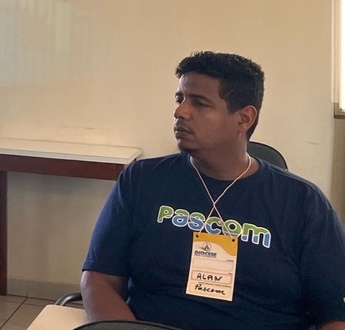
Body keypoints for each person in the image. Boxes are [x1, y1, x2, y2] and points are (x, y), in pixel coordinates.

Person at [81, 51, 345, 330]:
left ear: (244, 118)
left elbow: (335, 314)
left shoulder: (303, 203)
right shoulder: (141, 180)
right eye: (180, 99)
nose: (180, 112)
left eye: (199, 103)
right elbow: (99, 279)